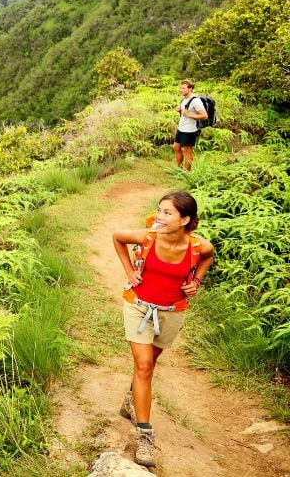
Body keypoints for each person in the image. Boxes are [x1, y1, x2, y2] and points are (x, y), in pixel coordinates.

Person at [112, 191, 214, 467]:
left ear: (186, 220)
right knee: (144, 365)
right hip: (139, 307)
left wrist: (198, 281)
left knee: (149, 364)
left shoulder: (196, 247)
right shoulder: (148, 237)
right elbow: (118, 237)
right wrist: (129, 271)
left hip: (172, 312)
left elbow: (209, 254)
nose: (160, 217)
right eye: (159, 211)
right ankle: (145, 434)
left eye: (168, 213)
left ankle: (132, 398)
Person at [173, 80, 208, 171]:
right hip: (181, 128)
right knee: (176, 147)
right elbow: (184, 110)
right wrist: (179, 109)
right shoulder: (184, 98)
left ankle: (186, 173)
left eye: (183, 88)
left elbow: (204, 116)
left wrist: (188, 114)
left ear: (190, 89)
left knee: (187, 152)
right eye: (180, 88)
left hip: (190, 130)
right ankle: (179, 169)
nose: (181, 90)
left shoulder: (196, 101)